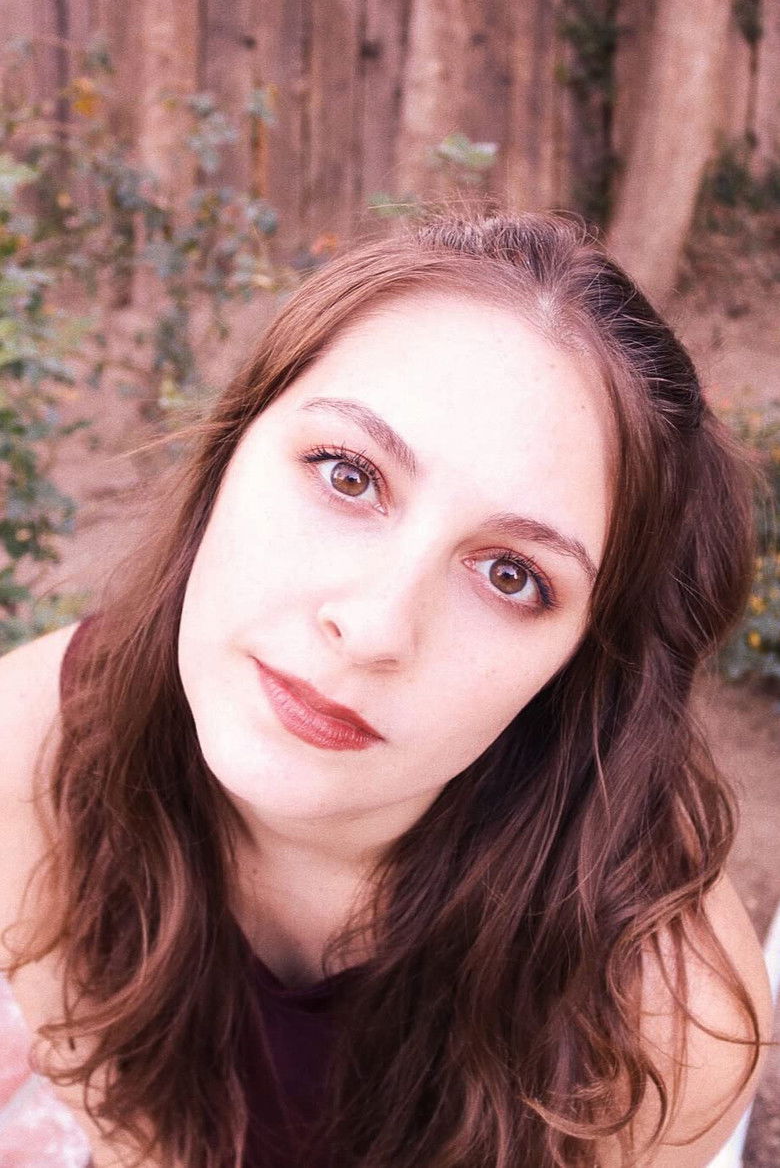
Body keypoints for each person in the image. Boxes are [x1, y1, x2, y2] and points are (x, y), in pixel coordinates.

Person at [0, 210, 773, 1168]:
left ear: (580, 665)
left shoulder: (667, 1019)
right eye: (348, 475)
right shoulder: (30, 752)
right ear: (228, 454)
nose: (372, 629)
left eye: (511, 576)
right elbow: (133, 1133)